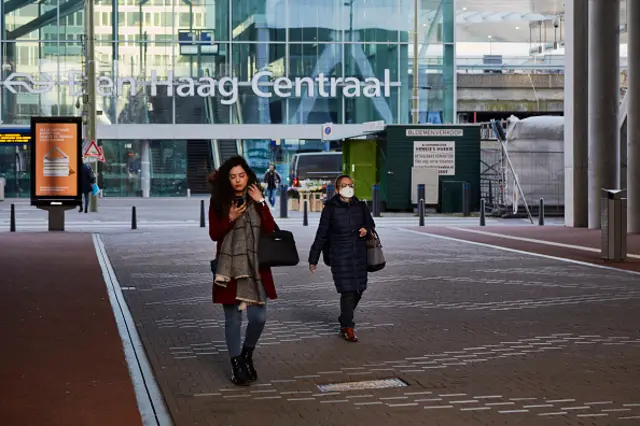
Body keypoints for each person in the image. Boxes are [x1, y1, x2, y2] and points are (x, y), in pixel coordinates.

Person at [208, 155, 277, 386]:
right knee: (233, 320)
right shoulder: (219, 201)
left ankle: (247, 353)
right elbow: (214, 234)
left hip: (256, 268)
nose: (238, 181)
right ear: (227, 179)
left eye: (241, 175)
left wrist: (261, 202)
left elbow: (271, 229)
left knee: (258, 318)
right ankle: (237, 364)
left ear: (248, 176)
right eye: (233, 177)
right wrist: (230, 218)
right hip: (229, 269)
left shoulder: (256, 197)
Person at [308, 175, 375, 342]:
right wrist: (313, 258)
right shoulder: (330, 208)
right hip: (339, 255)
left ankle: (344, 318)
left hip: (359, 253)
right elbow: (321, 234)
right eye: (344, 185)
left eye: (350, 185)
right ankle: (348, 326)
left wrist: (366, 229)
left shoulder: (360, 206)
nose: (348, 187)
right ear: (337, 189)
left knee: (360, 288)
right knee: (348, 291)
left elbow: (370, 223)